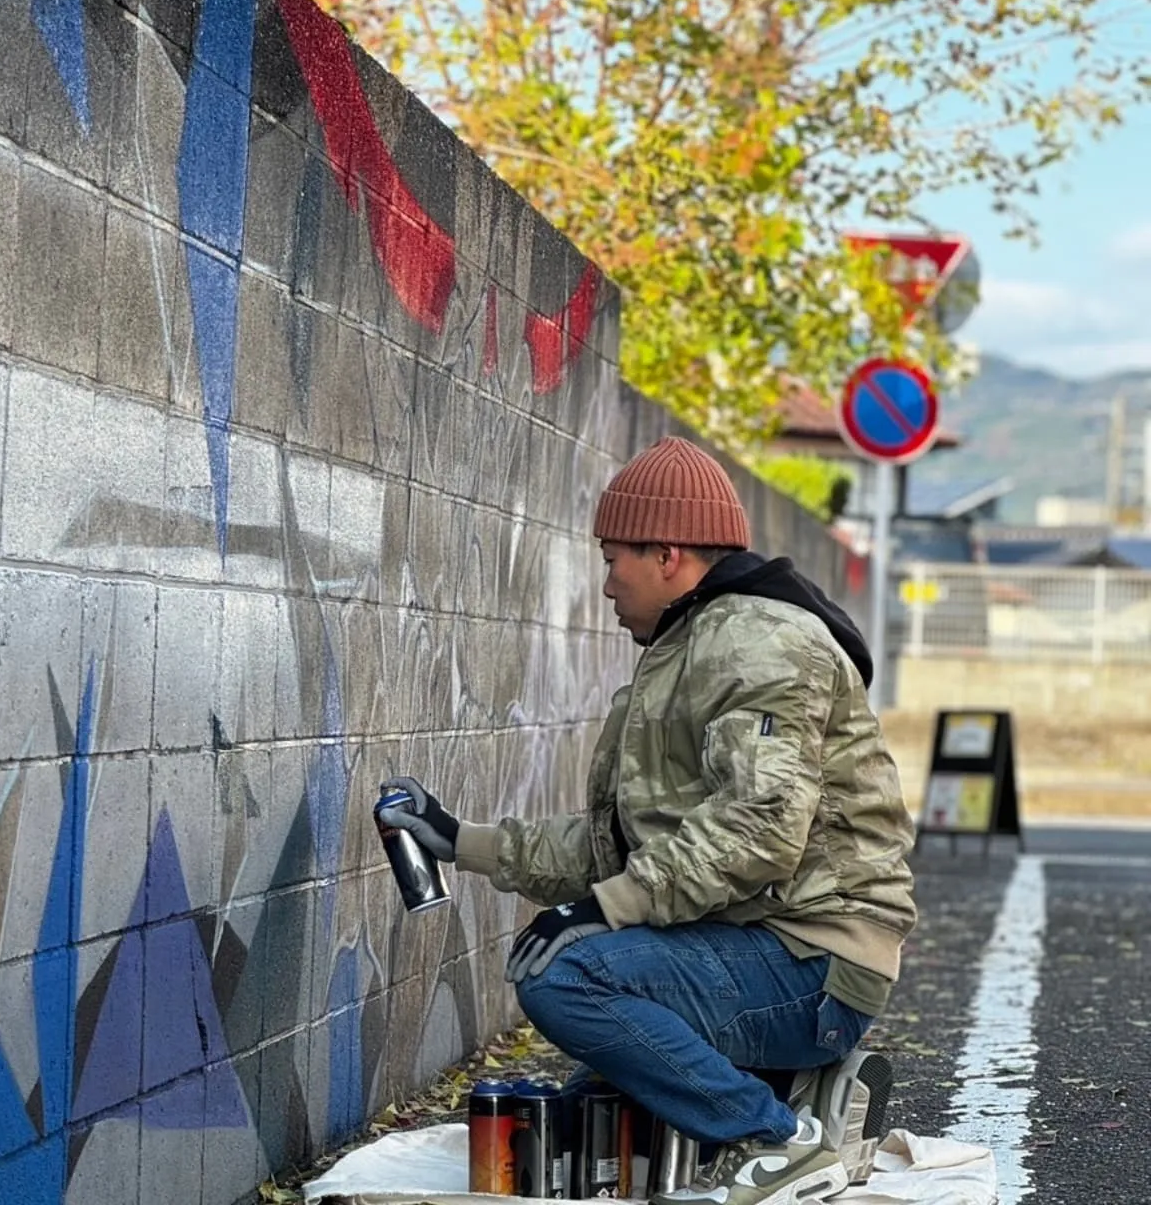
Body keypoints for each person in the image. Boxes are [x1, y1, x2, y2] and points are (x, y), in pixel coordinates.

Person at [383, 436, 916, 1205]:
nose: (606, 585)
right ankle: (799, 1092)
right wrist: (461, 841)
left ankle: (773, 1139)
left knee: (567, 976)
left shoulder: (758, 643)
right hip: (754, 940)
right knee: (590, 1111)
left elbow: (759, 829)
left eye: (613, 559)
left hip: (812, 958)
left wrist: (601, 909)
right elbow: (619, 848)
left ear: (667, 555)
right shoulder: (688, 645)